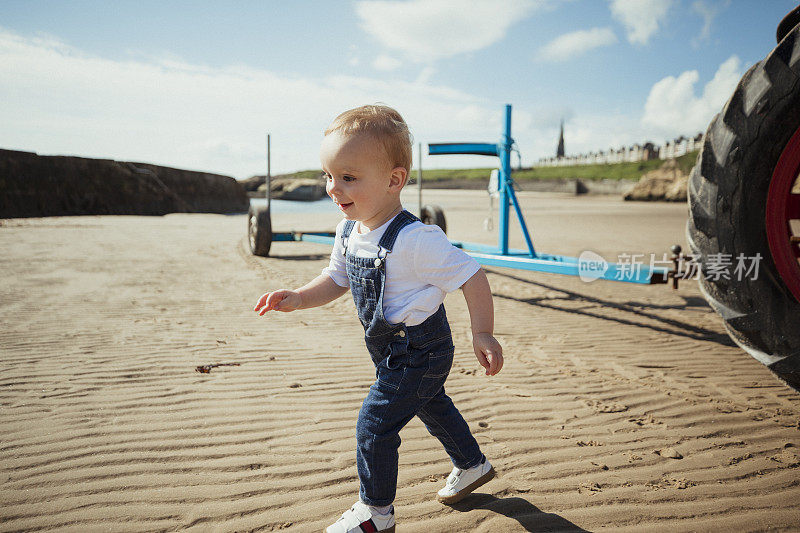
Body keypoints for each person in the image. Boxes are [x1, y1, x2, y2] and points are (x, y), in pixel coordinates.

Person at [254, 104, 503, 533]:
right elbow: (337, 279)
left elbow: (471, 275)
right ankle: (473, 465)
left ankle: (376, 514)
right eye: (329, 176)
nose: (334, 188)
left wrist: (483, 331)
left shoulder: (416, 239)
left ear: (394, 180)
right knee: (430, 404)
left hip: (422, 349)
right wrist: (298, 297)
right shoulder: (348, 231)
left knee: (375, 424)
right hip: (389, 348)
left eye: (349, 177)